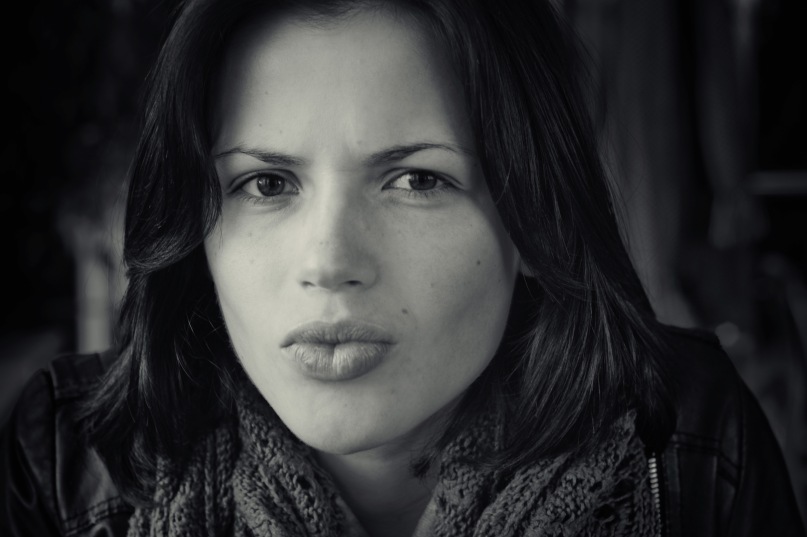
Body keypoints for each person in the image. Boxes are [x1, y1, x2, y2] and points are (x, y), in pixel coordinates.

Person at [1, 0, 804, 535]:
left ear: (534, 221)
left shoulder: (684, 440)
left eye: (417, 180)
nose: (328, 262)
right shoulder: (66, 460)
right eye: (266, 183)